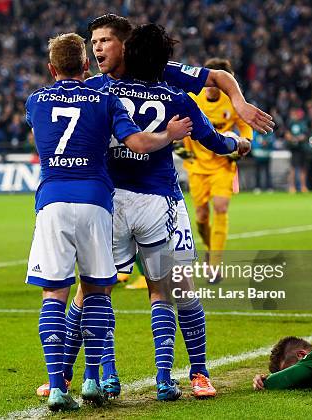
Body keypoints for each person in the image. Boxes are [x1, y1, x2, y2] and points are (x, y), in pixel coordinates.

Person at [36, 13, 268, 400]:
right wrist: (237, 144)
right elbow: (211, 136)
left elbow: (219, 78)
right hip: (131, 201)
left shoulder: (109, 89)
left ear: (125, 45)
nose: (97, 48)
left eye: (105, 41)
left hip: (124, 200)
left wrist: (240, 107)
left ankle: (187, 372)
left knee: (103, 290)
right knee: (128, 289)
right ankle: (82, 374)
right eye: (93, 42)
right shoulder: (120, 90)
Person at [25, 32, 192, 412]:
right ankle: (90, 379)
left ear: (52, 68)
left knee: (55, 294)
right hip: (97, 201)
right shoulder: (104, 99)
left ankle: (55, 387)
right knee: (98, 290)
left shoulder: (35, 101)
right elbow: (137, 144)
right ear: (86, 65)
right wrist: (171, 133)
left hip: (51, 200)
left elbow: (42, 132)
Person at [175, 58, 253, 270]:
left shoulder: (232, 102)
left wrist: (245, 141)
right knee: (200, 216)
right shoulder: (193, 98)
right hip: (197, 166)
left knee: (220, 207)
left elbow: (245, 125)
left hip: (222, 164)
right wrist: (180, 148)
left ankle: (215, 264)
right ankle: (211, 250)